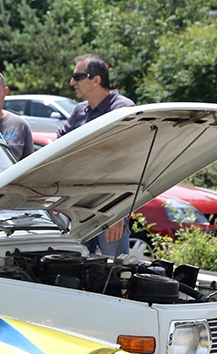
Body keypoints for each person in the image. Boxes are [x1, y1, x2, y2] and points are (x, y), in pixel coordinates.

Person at [56, 54, 135, 256]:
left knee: (114, 269)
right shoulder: (79, 111)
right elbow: (59, 148)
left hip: (110, 208)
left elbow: (129, 163)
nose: (72, 82)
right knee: (73, 265)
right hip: (77, 207)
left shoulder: (123, 109)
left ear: (96, 80)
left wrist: (118, 212)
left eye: (77, 76)